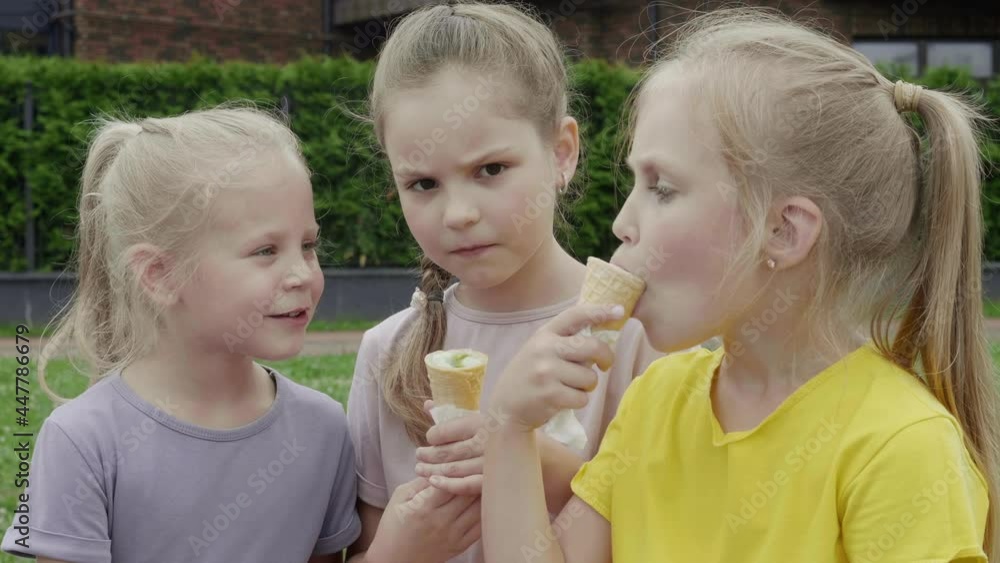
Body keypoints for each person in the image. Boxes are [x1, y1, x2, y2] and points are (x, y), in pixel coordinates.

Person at [484, 7, 999, 562]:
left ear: (783, 231)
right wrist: (510, 431)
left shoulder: (900, 447)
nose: (622, 223)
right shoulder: (655, 402)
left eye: (661, 188)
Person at [345, 4, 660, 563]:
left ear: (562, 153)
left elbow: (669, 527)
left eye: (490, 170)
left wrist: (532, 460)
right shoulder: (385, 353)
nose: (459, 214)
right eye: (423, 184)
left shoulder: (637, 337)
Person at [1, 106, 361, 563]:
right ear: (159, 275)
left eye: (308, 245)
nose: (303, 274)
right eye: (266, 250)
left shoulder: (323, 429)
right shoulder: (83, 441)